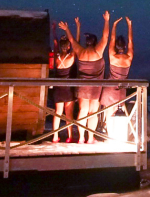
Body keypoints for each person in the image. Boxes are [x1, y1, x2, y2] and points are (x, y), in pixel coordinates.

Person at [58, 11, 109, 144]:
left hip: (83, 88)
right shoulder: (98, 51)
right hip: (95, 88)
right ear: (95, 43)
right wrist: (107, 21)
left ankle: (81, 138)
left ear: (87, 43)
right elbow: (106, 36)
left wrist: (68, 29)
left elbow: (71, 40)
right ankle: (90, 138)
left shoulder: (80, 51)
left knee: (83, 111)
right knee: (93, 112)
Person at [51, 18, 79, 143]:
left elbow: (55, 43)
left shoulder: (57, 56)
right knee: (69, 114)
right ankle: (70, 137)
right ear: (68, 46)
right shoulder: (71, 56)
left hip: (58, 89)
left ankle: (55, 136)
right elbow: (76, 42)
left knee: (57, 113)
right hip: (68, 89)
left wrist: (54, 30)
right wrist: (77, 27)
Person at [100, 16, 134, 116]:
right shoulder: (129, 57)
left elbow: (112, 39)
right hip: (121, 92)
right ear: (125, 46)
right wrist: (129, 25)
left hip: (110, 90)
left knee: (109, 117)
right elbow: (130, 40)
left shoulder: (112, 56)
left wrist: (114, 25)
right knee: (121, 117)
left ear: (115, 46)